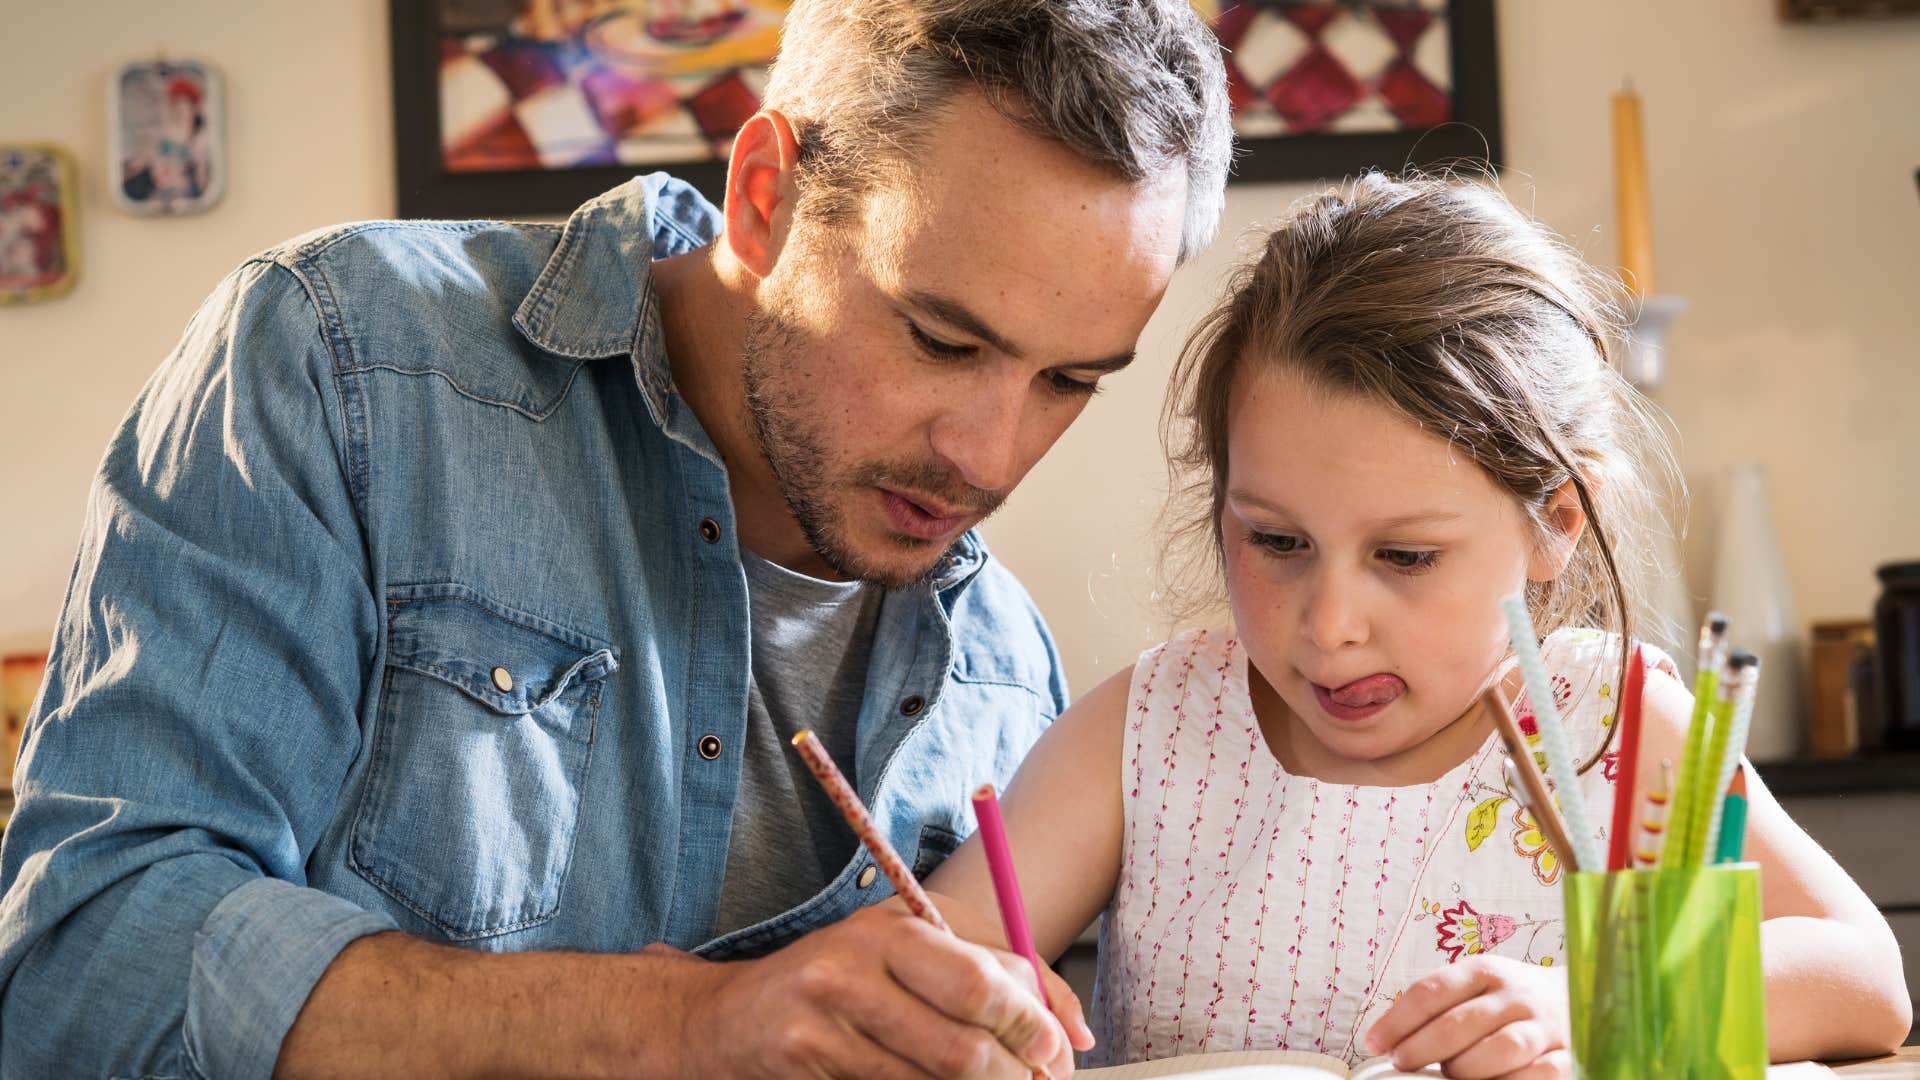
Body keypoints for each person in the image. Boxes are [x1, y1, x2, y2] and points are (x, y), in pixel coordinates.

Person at [0, 2, 1232, 1076]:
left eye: (1071, 381)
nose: (992, 455)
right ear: (766, 198)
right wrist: (680, 1027)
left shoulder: (1008, 675)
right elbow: (83, 969)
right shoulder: (346, 361)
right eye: (941, 341)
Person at [924, 172, 1914, 1075]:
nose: (1332, 626)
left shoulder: (1614, 722)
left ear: (1555, 525)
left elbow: (1865, 980)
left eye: (1404, 557)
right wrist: (966, 1001)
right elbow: (938, 950)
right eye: (1276, 541)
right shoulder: (1146, 730)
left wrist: (1597, 1006)